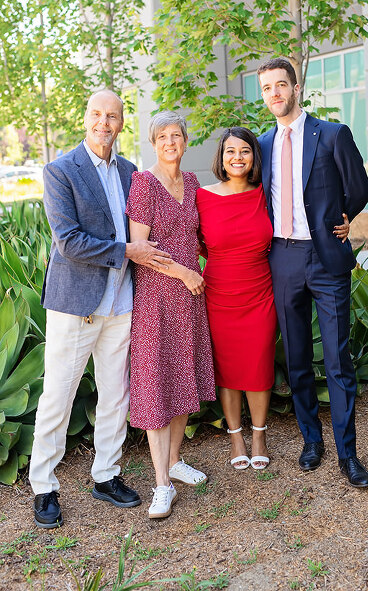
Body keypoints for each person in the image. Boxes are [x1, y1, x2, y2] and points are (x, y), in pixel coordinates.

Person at [30, 90, 172, 529]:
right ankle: (43, 486)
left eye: (112, 116)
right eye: (96, 114)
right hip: (77, 304)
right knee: (59, 394)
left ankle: (106, 475)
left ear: (122, 122)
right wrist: (128, 249)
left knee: (116, 395)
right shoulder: (60, 170)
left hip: (121, 303)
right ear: (85, 117)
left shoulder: (130, 171)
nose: (103, 123)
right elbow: (69, 241)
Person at [257, 58, 368, 488]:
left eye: (281, 85)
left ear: (296, 87)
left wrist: (346, 213)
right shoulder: (264, 144)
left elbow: (359, 186)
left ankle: (348, 454)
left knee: (339, 359)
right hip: (283, 259)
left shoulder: (332, 134)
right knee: (298, 358)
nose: (275, 94)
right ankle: (312, 441)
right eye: (267, 88)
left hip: (327, 259)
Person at [126, 111, 216, 519]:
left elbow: (202, 237)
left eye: (176, 135)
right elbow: (140, 249)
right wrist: (183, 271)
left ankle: (175, 461)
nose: (169, 142)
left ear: (185, 141)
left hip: (190, 300)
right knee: (158, 382)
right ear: (152, 142)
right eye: (162, 136)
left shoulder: (193, 183)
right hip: (158, 299)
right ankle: (162, 484)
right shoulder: (143, 184)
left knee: (183, 378)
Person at [196, 127, 278, 470]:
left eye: (245, 151)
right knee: (228, 369)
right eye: (230, 151)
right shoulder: (203, 197)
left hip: (260, 291)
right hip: (219, 293)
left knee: (258, 364)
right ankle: (236, 438)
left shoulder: (265, 194)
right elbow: (196, 242)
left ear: (254, 157)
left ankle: (259, 435)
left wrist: (343, 220)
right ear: (221, 157)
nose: (237, 158)